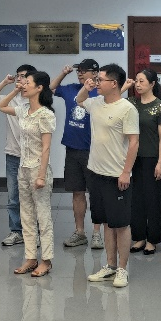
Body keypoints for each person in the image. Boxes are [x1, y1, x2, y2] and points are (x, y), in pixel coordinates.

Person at [77, 64, 139, 288]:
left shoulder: (127, 108)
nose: (96, 83)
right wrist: (86, 87)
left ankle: (122, 269)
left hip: (117, 175)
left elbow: (134, 142)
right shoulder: (95, 103)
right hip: (96, 172)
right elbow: (79, 100)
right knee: (105, 222)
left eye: (100, 79)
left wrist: (126, 172)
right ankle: (110, 265)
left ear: (114, 84)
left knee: (120, 224)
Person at [0, 71, 57, 277]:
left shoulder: (46, 114)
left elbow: (46, 148)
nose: (24, 85)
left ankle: (46, 260)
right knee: (26, 215)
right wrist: (14, 90)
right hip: (23, 168)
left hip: (39, 170)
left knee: (43, 216)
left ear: (39, 88)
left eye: (27, 82)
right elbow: (0, 106)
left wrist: (41, 175)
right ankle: (30, 258)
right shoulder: (23, 110)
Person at [51, 59, 104, 250]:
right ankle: (80, 232)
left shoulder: (101, 92)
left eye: (84, 70)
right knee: (77, 192)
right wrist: (63, 73)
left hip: (94, 150)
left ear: (95, 73)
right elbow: (50, 89)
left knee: (96, 193)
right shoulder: (70, 89)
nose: (79, 73)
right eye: (78, 71)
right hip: (72, 149)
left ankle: (97, 234)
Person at [0, 64, 37, 247]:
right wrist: (5, 82)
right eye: (17, 76)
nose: (19, 79)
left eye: (23, 76)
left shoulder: (36, 100)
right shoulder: (11, 98)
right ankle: (16, 231)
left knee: (33, 196)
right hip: (13, 155)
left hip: (32, 155)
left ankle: (33, 232)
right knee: (13, 196)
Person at [124, 69, 161, 254]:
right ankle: (139, 237)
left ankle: (152, 239)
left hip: (151, 158)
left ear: (152, 84)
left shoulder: (159, 107)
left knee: (152, 199)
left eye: (142, 81)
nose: (138, 84)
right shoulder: (131, 103)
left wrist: (160, 162)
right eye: (136, 81)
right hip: (133, 158)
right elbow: (112, 102)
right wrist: (125, 87)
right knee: (135, 199)